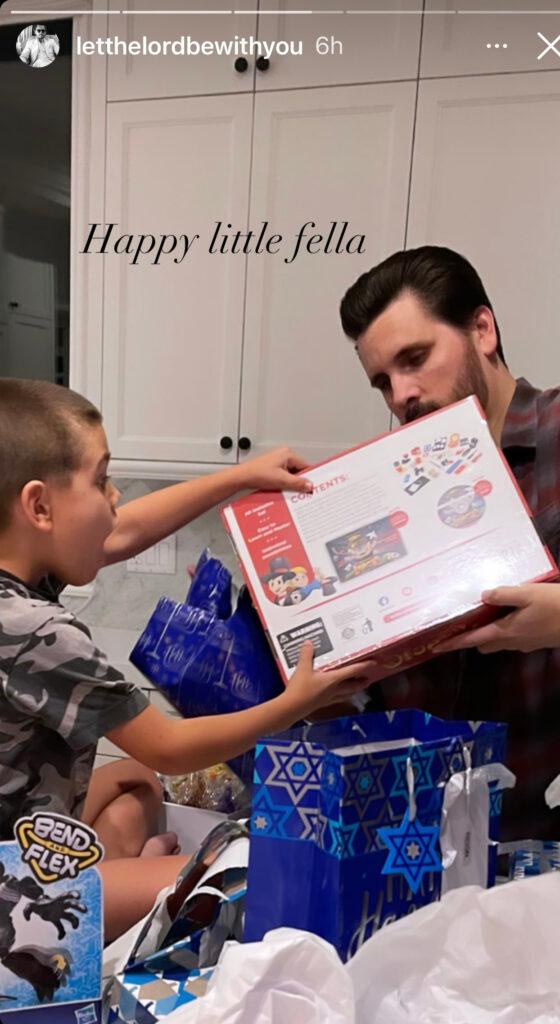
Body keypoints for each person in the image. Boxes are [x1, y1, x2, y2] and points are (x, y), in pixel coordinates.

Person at [0, 378, 374, 941]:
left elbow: (119, 533)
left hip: (27, 833)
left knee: (134, 783)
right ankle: (108, 905)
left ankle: (121, 889)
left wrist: (245, 475)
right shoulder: (38, 633)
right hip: (14, 890)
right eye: (101, 480)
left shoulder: (17, 583)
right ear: (39, 506)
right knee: (235, 876)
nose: (114, 497)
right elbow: (171, 750)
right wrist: (292, 703)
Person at [339, 245, 560, 841]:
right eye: (382, 382)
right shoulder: (398, 495)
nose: (401, 395)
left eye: (415, 358)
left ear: (483, 330)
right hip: (452, 844)